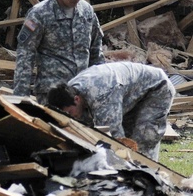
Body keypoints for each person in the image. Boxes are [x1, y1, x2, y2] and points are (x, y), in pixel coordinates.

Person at [47, 61, 175, 161]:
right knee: (128, 137)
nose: (72, 117)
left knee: (143, 138)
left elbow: (114, 138)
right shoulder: (70, 90)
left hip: (157, 89)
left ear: (76, 99)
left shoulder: (101, 95)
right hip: (130, 95)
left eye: (70, 112)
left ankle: (150, 177)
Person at [13, 0, 104, 103]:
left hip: (82, 92)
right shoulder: (40, 14)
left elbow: (96, 50)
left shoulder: (87, 12)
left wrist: (100, 84)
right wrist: (20, 96)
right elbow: (25, 54)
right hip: (52, 93)